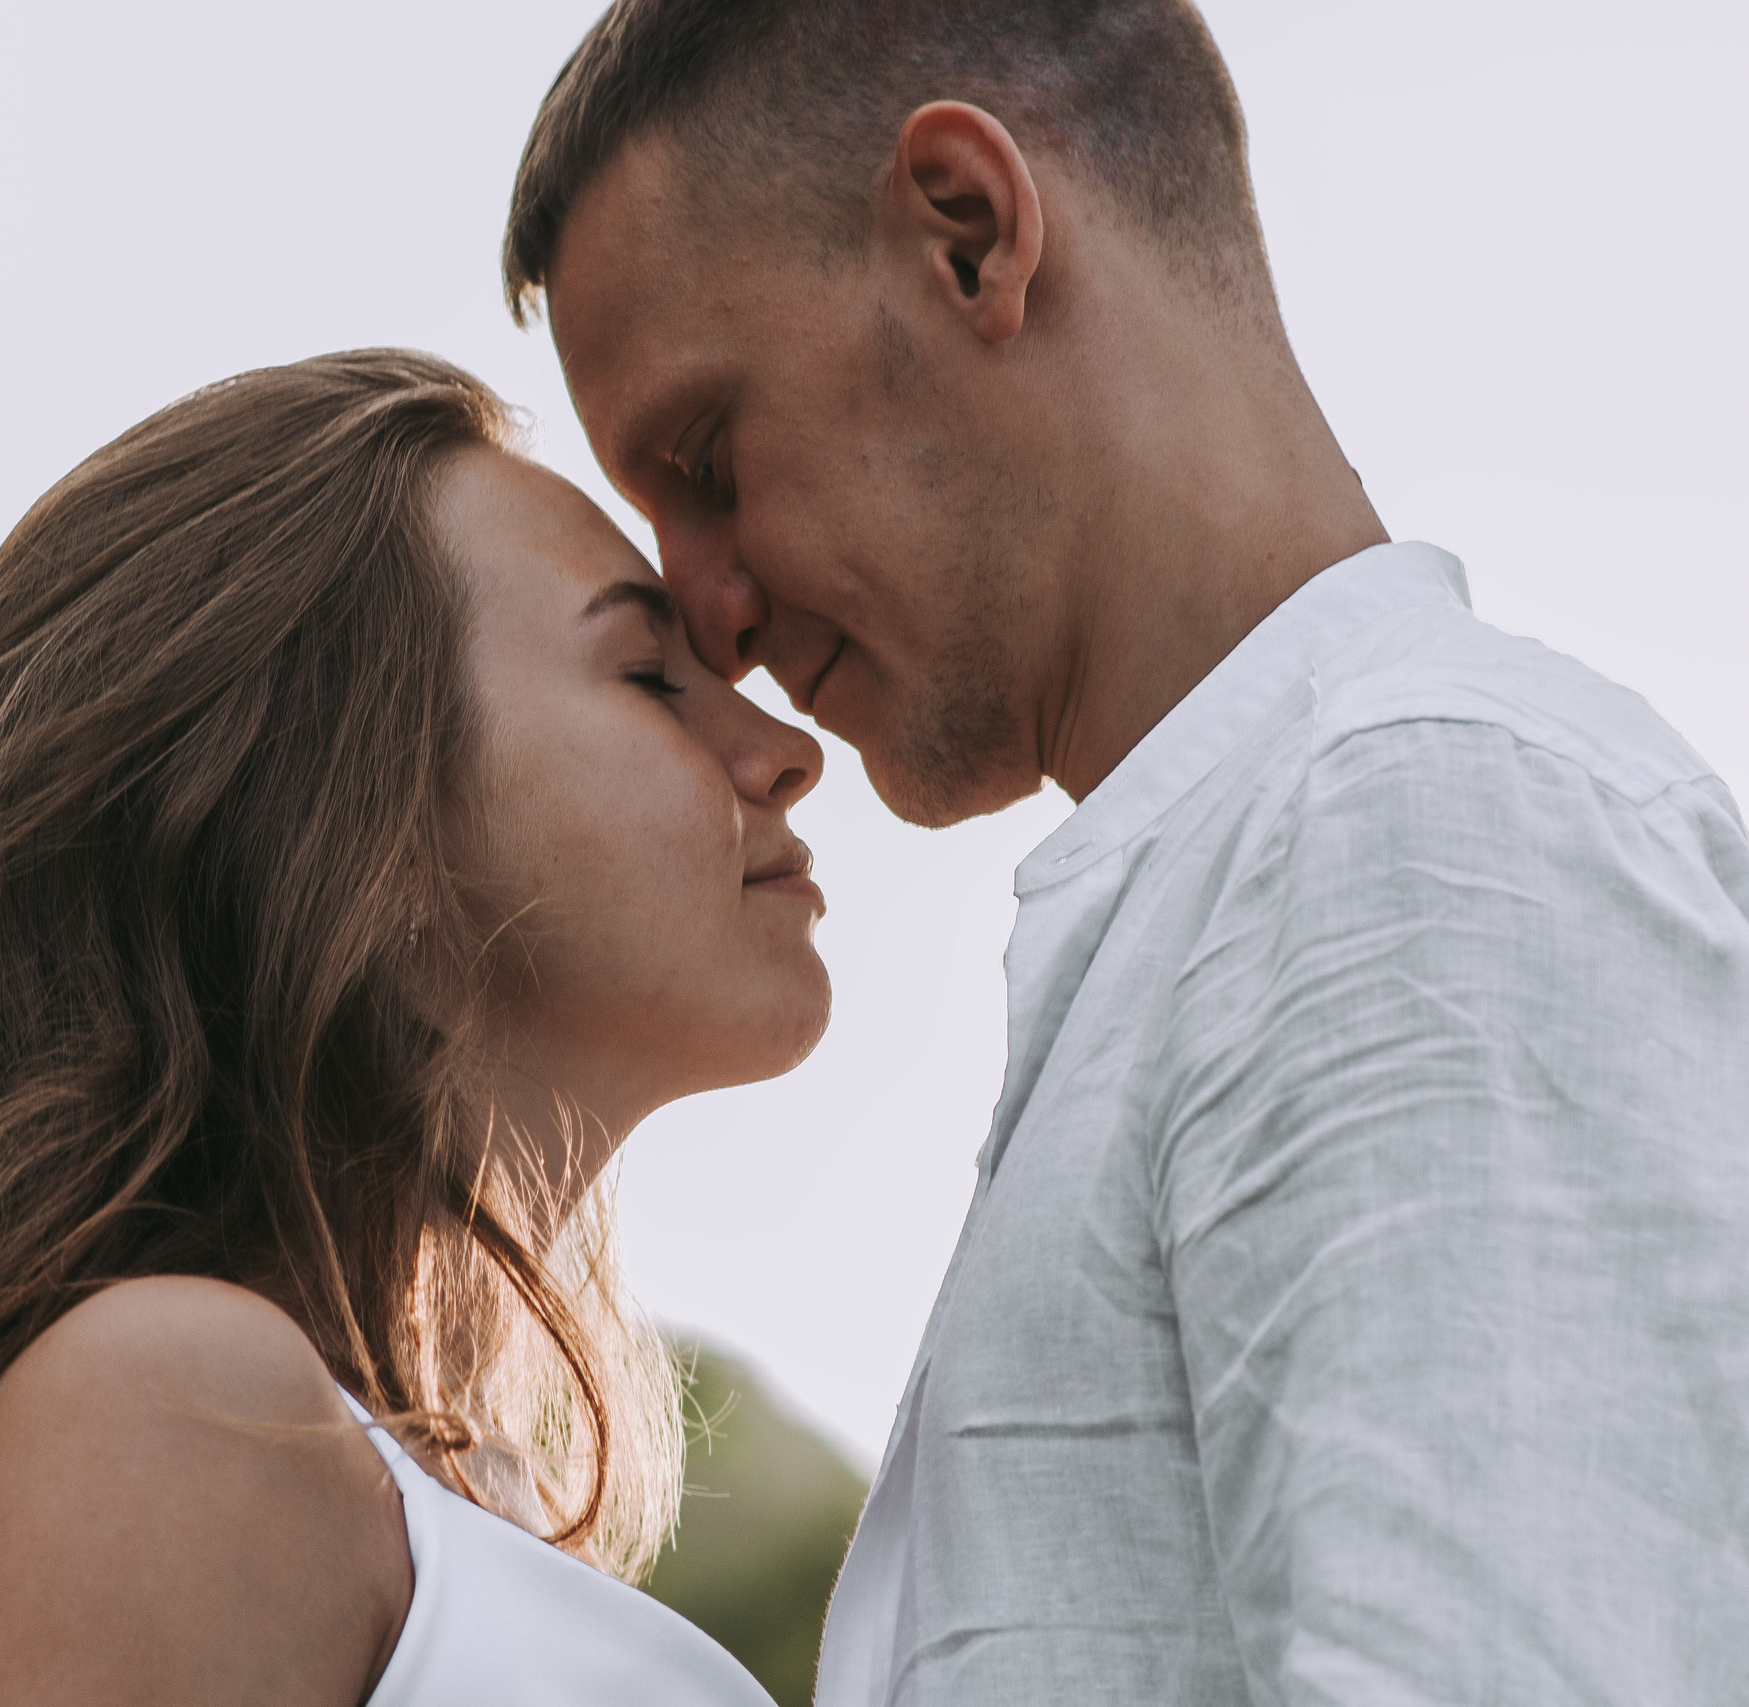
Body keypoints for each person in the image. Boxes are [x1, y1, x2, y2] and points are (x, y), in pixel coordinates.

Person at [504, 2, 1749, 1703]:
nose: (709, 611)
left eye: (710, 459)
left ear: (968, 231)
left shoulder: (1413, 830)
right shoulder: (1269, 881)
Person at [0, 350, 825, 1707]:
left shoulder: (435, 1496)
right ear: (362, 843)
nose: (781, 749)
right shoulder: (169, 1414)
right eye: (649, 676)